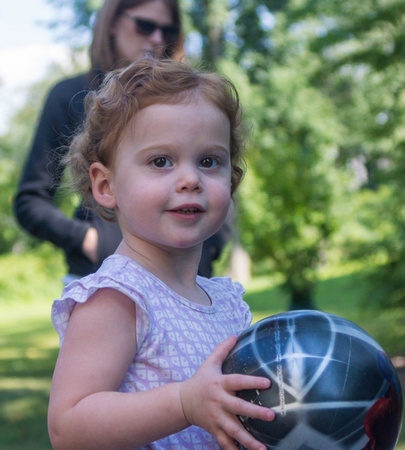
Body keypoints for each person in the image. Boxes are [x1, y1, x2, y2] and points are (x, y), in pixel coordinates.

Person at [48, 57, 275, 449]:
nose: (190, 179)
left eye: (209, 161)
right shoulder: (117, 298)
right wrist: (184, 403)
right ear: (105, 185)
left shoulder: (225, 302)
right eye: (160, 161)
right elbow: (68, 428)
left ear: (231, 179)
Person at [14, 0, 226, 281]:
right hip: (106, 277)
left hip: (191, 280)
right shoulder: (70, 96)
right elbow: (30, 200)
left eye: (169, 31)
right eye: (145, 25)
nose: (157, 38)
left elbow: (219, 173)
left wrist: (213, 244)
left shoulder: (189, 102)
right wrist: (90, 240)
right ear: (112, 23)